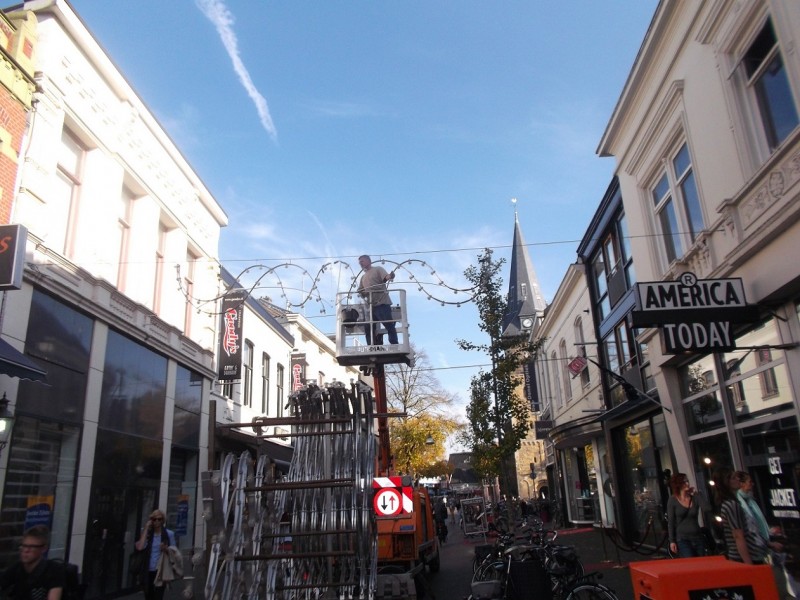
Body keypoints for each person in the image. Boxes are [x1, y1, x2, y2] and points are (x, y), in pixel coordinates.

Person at [0, 525, 65, 600]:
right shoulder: (17, 568)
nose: (26, 550)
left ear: (43, 549)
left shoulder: (55, 570)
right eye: (24, 546)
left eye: (31, 547)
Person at [666, 472, 711, 557]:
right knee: (690, 559)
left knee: (701, 562)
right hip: (683, 538)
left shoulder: (694, 498)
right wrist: (672, 540)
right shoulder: (673, 500)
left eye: (687, 481)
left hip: (697, 536)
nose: (687, 484)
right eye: (684, 482)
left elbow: (707, 508)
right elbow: (671, 522)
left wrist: (696, 494)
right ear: (678, 484)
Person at [135, 510, 176, 600]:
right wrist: (146, 528)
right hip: (148, 570)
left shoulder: (169, 534)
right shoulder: (148, 534)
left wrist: (165, 549)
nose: (156, 521)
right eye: (154, 519)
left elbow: (174, 552)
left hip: (161, 570)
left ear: (162, 520)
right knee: (148, 596)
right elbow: (140, 547)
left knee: (158, 596)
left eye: (159, 519)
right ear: (151, 520)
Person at [357, 255, 398, 346]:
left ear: (369, 261)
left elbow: (386, 277)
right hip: (371, 306)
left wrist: (390, 276)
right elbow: (360, 290)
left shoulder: (378, 269)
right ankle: (371, 346)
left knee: (388, 324)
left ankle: (394, 343)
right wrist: (361, 292)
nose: (360, 263)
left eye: (362, 261)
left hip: (382, 302)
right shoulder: (363, 277)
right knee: (368, 327)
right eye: (359, 262)